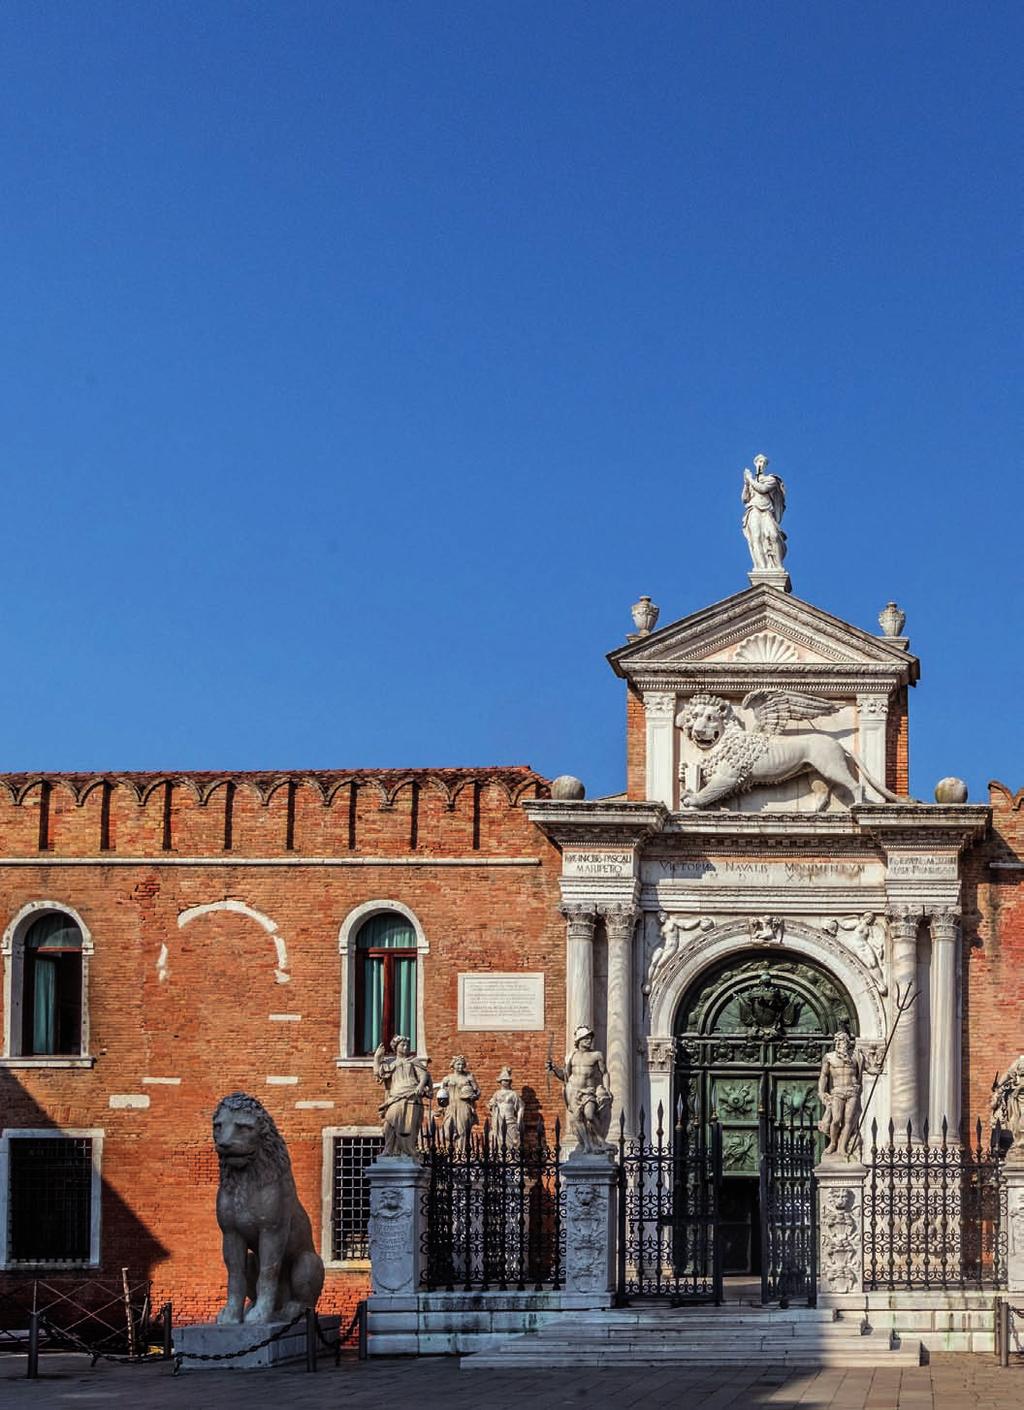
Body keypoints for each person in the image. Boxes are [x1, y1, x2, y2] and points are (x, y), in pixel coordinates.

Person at [547, 1025, 613, 1155]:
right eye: (586, 1038)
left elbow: (605, 1073)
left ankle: (601, 1140)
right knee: (577, 1119)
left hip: (589, 1091)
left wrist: (607, 1088)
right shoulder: (571, 1056)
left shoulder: (596, 1055)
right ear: (579, 1041)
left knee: (589, 1115)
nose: (589, 1041)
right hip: (573, 1091)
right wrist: (554, 1069)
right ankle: (587, 1145)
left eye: (590, 1038)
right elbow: (565, 1076)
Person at [373, 1034, 432, 1157]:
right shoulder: (389, 1062)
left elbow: (424, 1076)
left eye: (407, 1045)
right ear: (396, 1047)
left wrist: (420, 1087)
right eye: (403, 1045)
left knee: (409, 1124)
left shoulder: (413, 1061)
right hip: (395, 1095)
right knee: (389, 1122)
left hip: (411, 1094)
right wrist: (377, 1058)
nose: (406, 1047)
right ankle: (389, 1150)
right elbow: (378, 1074)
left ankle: (407, 1151)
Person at [817, 1029, 872, 1158]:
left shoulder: (856, 1056)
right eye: (836, 1041)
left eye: (840, 1040)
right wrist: (821, 1091)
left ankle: (842, 1146)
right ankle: (833, 1143)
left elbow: (870, 1069)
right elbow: (824, 1076)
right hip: (837, 1091)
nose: (837, 1043)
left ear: (847, 1042)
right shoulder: (829, 1057)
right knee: (836, 1120)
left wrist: (877, 1068)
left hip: (852, 1091)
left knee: (848, 1121)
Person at [741, 454, 787, 570]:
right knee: (756, 537)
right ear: (755, 463)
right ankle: (760, 566)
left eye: (763, 462)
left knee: (773, 535)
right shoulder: (751, 482)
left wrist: (750, 479)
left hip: (766, 510)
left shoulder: (770, 479)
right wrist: (746, 484)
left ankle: (777, 566)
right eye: (759, 462)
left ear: (766, 465)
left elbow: (762, 489)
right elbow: (744, 498)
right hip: (753, 509)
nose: (760, 464)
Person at [437, 1054, 480, 1154]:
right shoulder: (447, 1079)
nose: (460, 1066)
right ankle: (450, 1153)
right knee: (447, 1130)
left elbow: (477, 1091)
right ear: (453, 1065)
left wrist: (474, 1096)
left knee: (462, 1130)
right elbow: (441, 1094)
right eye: (458, 1064)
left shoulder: (469, 1077)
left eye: (462, 1064)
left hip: (464, 1106)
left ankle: (461, 1155)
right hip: (450, 1106)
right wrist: (440, 1107)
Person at [487, 1066, 524, 1153]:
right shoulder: (496, 1094)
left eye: (507, 1080)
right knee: (499, 1140)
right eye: (503, 1080)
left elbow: (521, 1107)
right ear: (500, 1081)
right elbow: (490, 1105)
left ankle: (512, 1158)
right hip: (499, 1120)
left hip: (510, 1120)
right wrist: (492, 1105)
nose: (505, 1082)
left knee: (512, 1141)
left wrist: (519, 1121)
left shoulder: (514, 1094)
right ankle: (499, 1157)